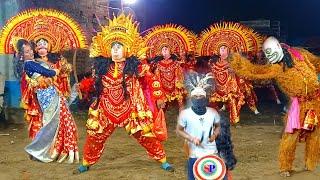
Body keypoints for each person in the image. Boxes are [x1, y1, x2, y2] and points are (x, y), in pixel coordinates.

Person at [74, 14, 173, 174]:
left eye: (119, 47)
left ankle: (163, 160)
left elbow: (151, 80)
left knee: (145, 135)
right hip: (106, 108)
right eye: (112, 47)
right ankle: (86, 163)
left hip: (131, 108)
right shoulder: (102, 68)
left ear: (127, 49)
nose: (115, 50)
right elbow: (93, 83)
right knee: (95, 137)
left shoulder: (136, 67)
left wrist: (159, 96)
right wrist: (83, 86)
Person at [229, 36, 320, 177]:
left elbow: (317, 63)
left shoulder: (300, 54)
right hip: (300, 104)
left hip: (316, 101)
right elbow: (254, 71)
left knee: (315, 133)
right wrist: (238, 62)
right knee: (291, 135)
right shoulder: (275, 67)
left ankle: (311, 163)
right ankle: (285, 167)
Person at [16, 39, 79, 163]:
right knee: (50, 123)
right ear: (23, 54)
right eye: (38, 48)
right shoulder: (30, 64)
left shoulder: (48, 61)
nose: (38, 51)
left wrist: (64, 69)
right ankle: (38, 150)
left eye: (44, 47)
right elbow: (46, 73)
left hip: (54, 92)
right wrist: (55, 71)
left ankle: (53, 150)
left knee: (59, 121)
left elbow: (61, 73)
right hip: (45, 95)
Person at [177, 72, 237, 179]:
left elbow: (224, 140)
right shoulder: (185, 115)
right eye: (196, 96)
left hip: (213, 158)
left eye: (200, 96)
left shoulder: (214, 114)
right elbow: (181, 131)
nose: (198, 98)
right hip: (195, 157)